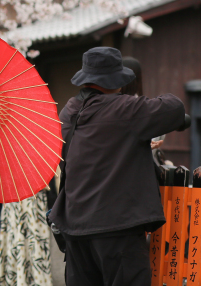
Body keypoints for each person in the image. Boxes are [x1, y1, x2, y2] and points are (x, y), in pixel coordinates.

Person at [48, 47, 186, 286]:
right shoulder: (126, 109)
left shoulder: (69, 111)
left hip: (75, 225)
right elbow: (175, 108)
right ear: (116, 80)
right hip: (116, 226)